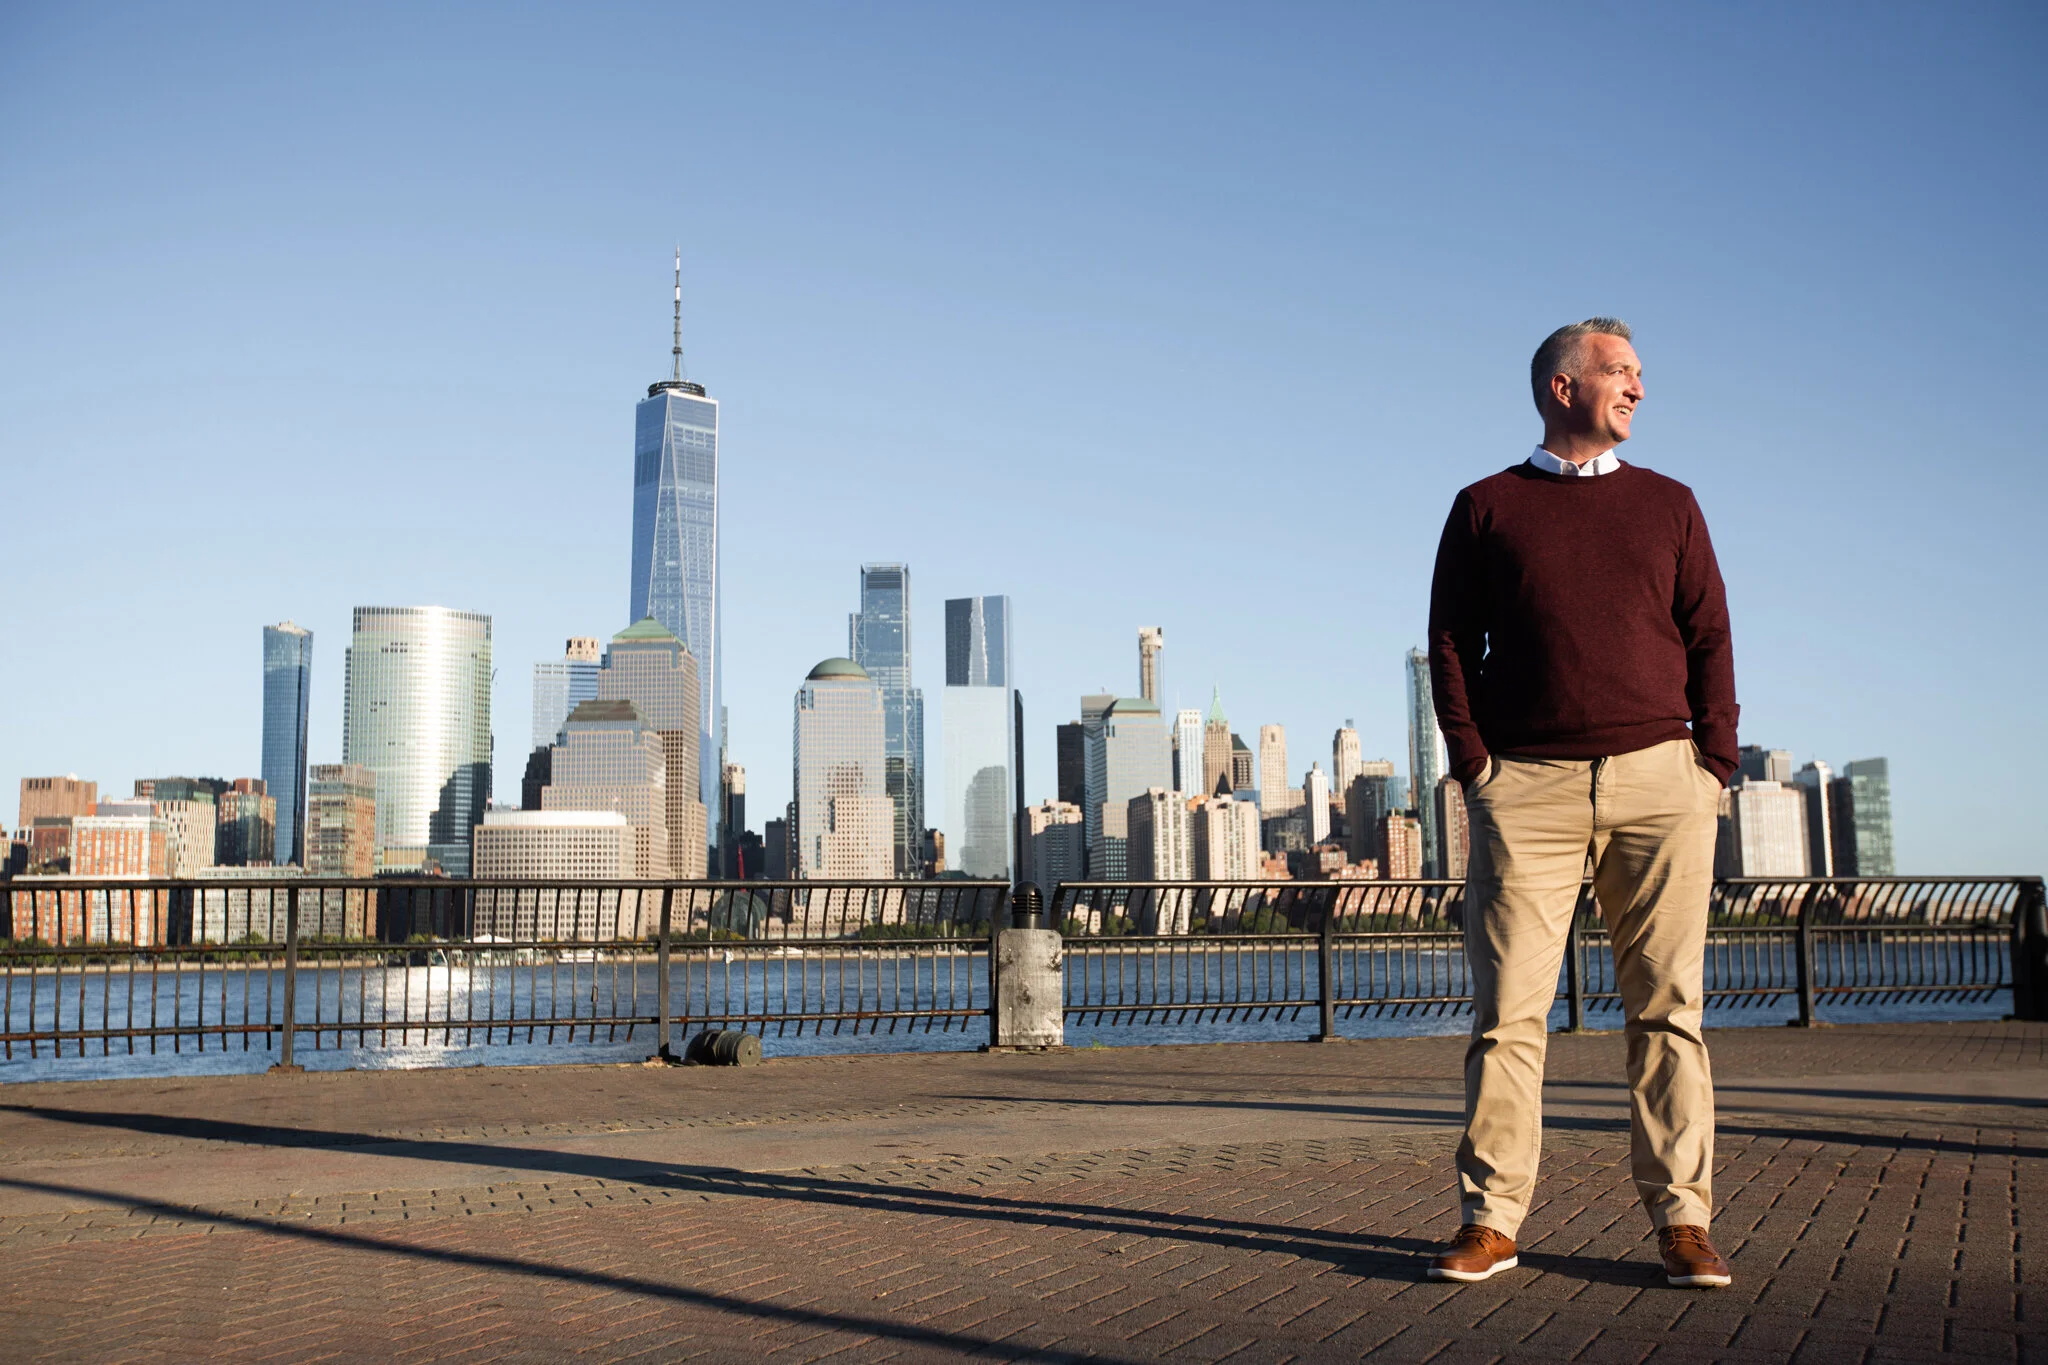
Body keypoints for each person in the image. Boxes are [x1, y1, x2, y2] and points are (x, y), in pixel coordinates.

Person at [1423, 318, 1737, 1289]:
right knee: (1507, 1017)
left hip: (1659, 781)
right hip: (1527, 789)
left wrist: (1711, 765)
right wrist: (1477, 766)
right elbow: (1446, 643)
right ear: (1563, 387)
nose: (1637, 389)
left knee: (1666, 1012)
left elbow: (1708, 636)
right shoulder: (1485, 507)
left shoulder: (1670, 504)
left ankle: (1682, 1221)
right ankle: (1491, 1220)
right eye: (1619, 373)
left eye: (1639, 374)